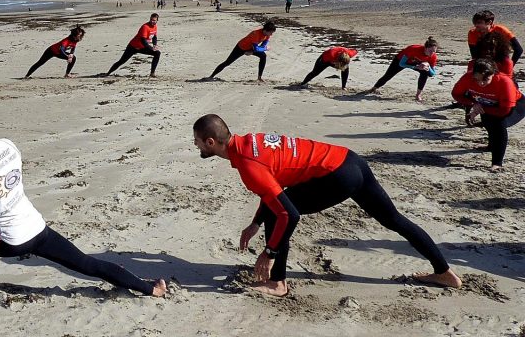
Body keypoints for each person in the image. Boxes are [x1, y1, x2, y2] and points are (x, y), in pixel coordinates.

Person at [0, 100, 167, 317]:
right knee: (87, 263)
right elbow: (3, 190)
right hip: (36, 228)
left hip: (8, 240)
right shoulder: (8, 146)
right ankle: (150, 289)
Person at [191, 114, 461, 297]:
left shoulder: (249, 166)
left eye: (197, 141)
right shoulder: (250, 142)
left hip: (337, 177)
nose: (196, 146)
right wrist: (255, 223)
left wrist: (269, 252)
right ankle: (445, 273)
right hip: (348, 160)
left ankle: (277, 283)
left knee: (281, 215)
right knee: (394, 219)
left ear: (211, 142)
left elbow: (289, 214)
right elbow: (272, 188)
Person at [451, 58, 524, 171]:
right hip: (486, 102)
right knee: (487, 121)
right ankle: (491, 146)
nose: (481, 83)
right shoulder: (467, 77)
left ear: (493, 74)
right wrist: (473, 104)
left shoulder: (504, 82)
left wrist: (479, 109)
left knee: (498, 125)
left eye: (486, 79)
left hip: (515, 106)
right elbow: (456, 94)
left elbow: (504, 111)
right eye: (477, 79)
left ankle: (497, 163)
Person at [367, 37, 438, 101]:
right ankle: (374, 88)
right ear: (425, 48)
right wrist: (416, 67)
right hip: (400, 60)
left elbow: (432, 74)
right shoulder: (413, 49)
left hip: (416, 62)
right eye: (430, 51)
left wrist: (428, 67)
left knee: (425, 73)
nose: (432, 53)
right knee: (388, 75)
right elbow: (402, 64)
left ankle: (418, 95)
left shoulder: (433, 56)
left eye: (434, 51)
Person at [206, 21, 276, 82]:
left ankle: (259, 77)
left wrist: (252, 51)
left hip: (251, 48)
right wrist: (266, 48)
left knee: (263, 56)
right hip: (241, 47)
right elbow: (258, 48)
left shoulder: (267, 35)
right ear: (266, 30)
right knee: (227, 62)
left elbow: (262, 47)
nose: (271, 34)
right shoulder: (256, 34)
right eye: (271, 32)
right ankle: (211, 76)